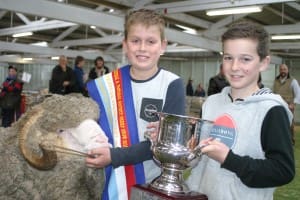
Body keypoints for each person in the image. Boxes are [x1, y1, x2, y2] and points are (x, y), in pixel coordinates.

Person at [187, 21, 295, 200]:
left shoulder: (271, 110)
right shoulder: (211, 103)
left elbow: (282, 170)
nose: (235, 67)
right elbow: (198, 156)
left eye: (245, 59)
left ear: (263, 63)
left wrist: (229, 159)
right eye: (228, 57)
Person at [85, 9, 185, 200]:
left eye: (151, 41)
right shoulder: (106, 86)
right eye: (135, 40)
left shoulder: (172, 84)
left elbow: (170, 145)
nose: (142, 48)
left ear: (163, 46)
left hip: (152, 183)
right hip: (109, 180)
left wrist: (114, 157)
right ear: (125, 45)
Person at [273, 63, 300, 144]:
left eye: (284, 69)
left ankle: (291, 140)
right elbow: (273, 92)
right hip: (278, 104)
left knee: (289, 123)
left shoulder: (293, 81)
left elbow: (298, 94)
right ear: (279, 70)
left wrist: (293, 104)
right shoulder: (276, 80)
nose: (283, 71)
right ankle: (279, 139)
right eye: (281, 69)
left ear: (288, 70)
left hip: (289, 105)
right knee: (278, 122)